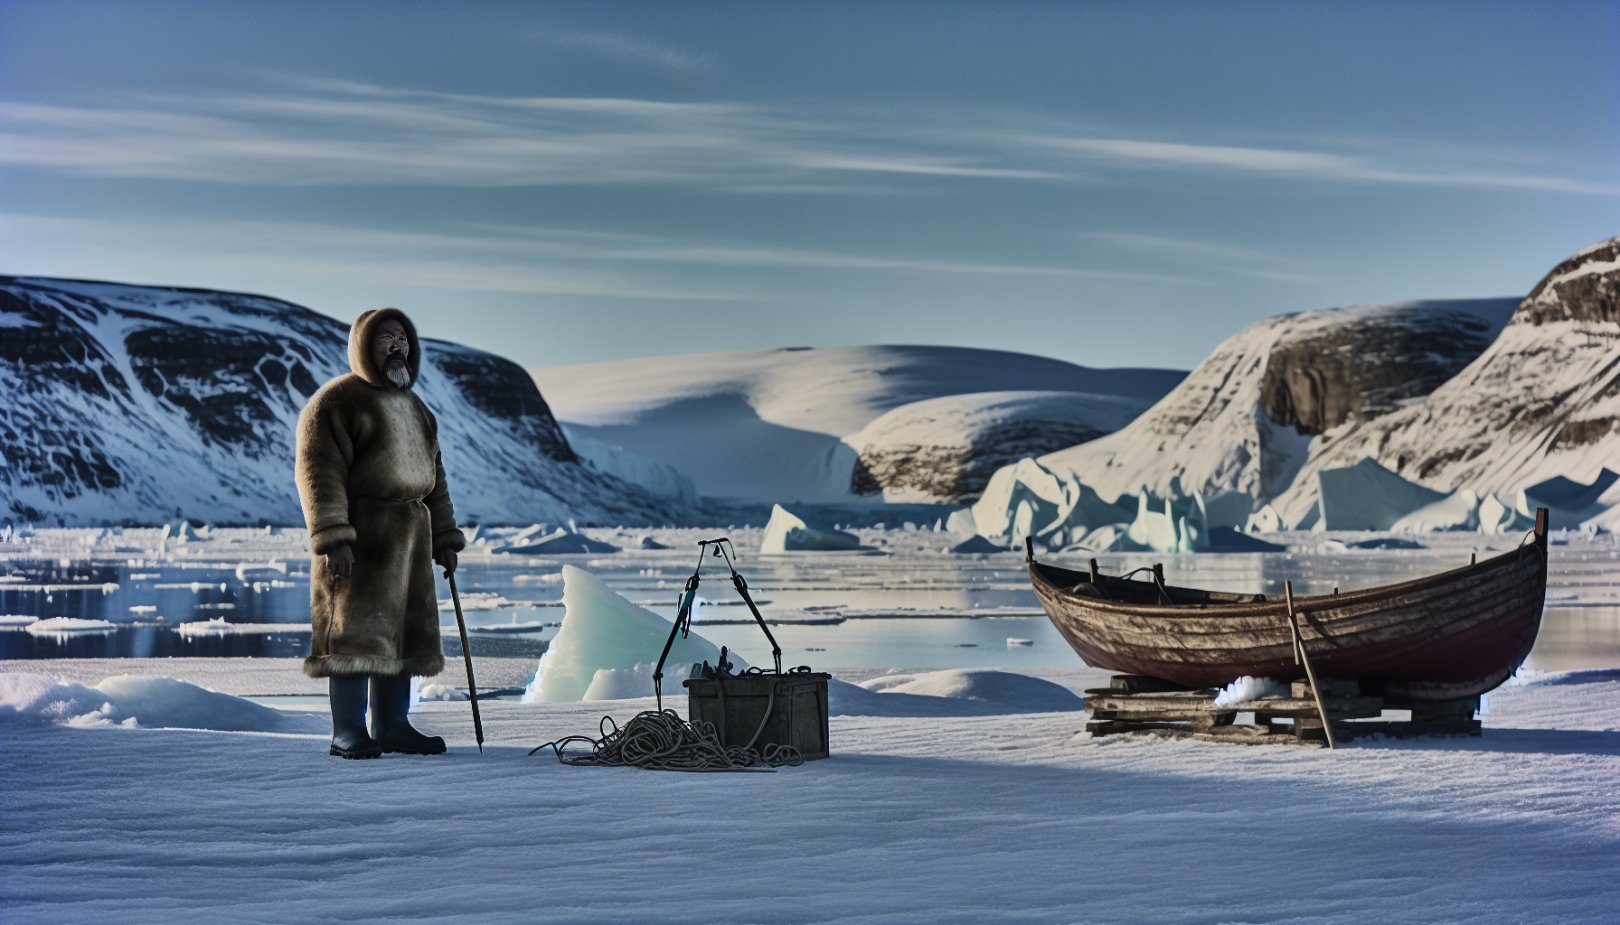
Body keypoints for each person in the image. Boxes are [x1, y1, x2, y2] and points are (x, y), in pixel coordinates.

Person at [295, 308, 466, 759]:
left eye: (404, 339)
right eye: (387, 338)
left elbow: (436, 480)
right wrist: (334, 536)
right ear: (364, 345)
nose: (398, 347)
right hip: (361, 535)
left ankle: (392, 724)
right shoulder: (337, 402)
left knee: (402, 636)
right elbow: (319, 471)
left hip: (410, 536)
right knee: (354, 635)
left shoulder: (418, 410)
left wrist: (444, 536)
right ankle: (347, 729)